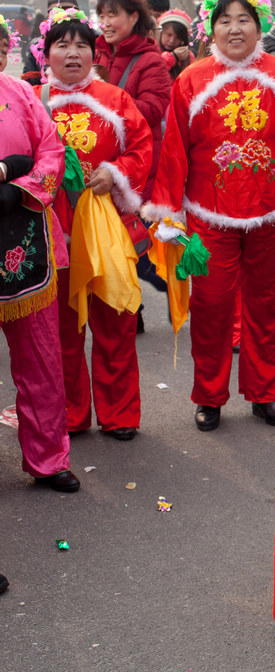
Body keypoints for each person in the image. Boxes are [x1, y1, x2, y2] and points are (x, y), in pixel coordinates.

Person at [142, 0, 275, 432]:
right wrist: (169, 207)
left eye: (244, 20)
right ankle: (210, 395)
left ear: (259, 28)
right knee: (212, 306)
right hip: (209, 215)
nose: (234, 29)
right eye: (225, 20)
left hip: (274, 214)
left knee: (268, 307)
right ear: (211, 29)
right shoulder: (191, 80)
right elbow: (175, 148)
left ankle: (266, 393)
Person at [36, 6, 154, 441]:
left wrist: (114, 173)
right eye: (62, 45)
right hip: (53, 234)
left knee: (115, 322)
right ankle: (71, 413)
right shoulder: (34, 101)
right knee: (63, 330)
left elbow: (141, 147)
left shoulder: (115, 100)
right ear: (45, 54)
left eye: (81, 45)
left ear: (94, 53)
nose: (72, 53)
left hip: (107, 231)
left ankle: (120, 413)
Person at [0, 30, 81, 492]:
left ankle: (49, 458)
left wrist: (18, 187)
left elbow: (51, 151)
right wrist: (8, 167)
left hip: (26, 243)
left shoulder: (21, 95)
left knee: (42, 359)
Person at [95, 0, 172, 202]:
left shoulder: (150, 60)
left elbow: (152, 110)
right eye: (101, 17)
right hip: (100, 163)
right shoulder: (96, 55)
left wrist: (105, 98)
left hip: (138, 165)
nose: (105, 23)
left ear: (134, 17)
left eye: (112, 16)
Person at [157, 9, 194, 79]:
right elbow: (155, 70)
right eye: (169, 35)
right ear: (161, 32)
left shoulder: (187, 56)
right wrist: (173, 57)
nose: (171, 40)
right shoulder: (153, 50)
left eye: (177, 37)